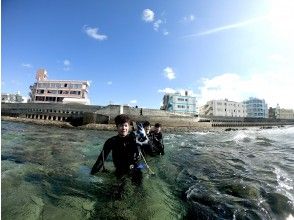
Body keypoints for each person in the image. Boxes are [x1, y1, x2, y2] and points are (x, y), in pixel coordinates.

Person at [90, 114, 142, 187]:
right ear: (117, 127)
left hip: (135, 168)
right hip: (120, 170)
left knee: (139, 191)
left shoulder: (134, 139)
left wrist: (139, 139)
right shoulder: (111, 141)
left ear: (129, 127)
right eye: (121, 125)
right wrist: (92, 174)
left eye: (126, 125)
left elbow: (146, 148)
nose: (124, 128)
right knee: (117, 194)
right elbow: (101, 160)